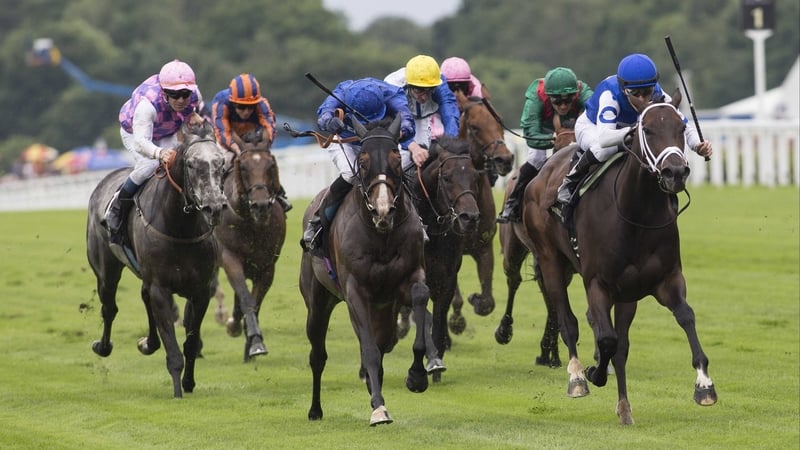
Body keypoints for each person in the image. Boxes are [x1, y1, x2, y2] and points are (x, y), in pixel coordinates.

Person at [554, 53, 713, 210]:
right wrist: (634, 131)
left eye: (647, 92)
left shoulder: (656, 91)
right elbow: (604, 138)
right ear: (624, 89)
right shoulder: (610, 94)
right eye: (636, 94)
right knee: (604, 150)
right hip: (593, 127)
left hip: (629, 130)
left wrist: (697, 145)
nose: (643, 99)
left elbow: (680, 122)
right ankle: (570, 181)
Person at [302, 77, 416, 250]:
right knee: (350, 175)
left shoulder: (391, 93)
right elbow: (323, 113)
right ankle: (317, 223)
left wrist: (402, 130)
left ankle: (417, 222)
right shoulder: (341, 93)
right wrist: (329, 121)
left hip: (378, 144)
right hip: (346, 142)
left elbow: (407, 120)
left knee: (393, 169)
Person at [105, 59, 202, 246]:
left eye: (185, 94)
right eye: (175, 95)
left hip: (165, 130)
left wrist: (192, 114)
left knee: (180, 162)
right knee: (149, 165)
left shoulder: (194, 94)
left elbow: (188, 109)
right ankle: (117, 207)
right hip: (136, 134)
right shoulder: (146, 106)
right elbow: (142, 143)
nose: (181, 100)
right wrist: (159, 153)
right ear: (164, 92)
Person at [497, 67, 593, 223]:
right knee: (536, 158)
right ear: (548, 97)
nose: (563, 106)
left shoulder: (583, 91)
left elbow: (598, 111)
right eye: (557, 101)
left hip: (575, 125)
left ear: (575, 94)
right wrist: (551, 138)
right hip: (543, 129)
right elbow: (531, 134)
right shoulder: (536, 98)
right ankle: (512, 203)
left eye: (568, 100)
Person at [211, 73, 291, 212]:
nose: (247, 111)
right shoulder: (220, 102)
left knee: (263, 162)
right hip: (229, 139)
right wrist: (238, 150)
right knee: (224, 161)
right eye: (241, 107)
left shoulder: (262, 103)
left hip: (253, 137)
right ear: (232, 102)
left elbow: (269, 126)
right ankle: (214, 197)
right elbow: (223, 133)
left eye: (251, 107)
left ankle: (279, 194)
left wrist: (263, 146)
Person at [384, 54, 460, 172]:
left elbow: (450, 114)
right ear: (409, 84)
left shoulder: (439, 83)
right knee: (399, 163)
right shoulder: (393, 84)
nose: (424, 97)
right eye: (419, 90)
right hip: (395, 120)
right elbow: (401, 118)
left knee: (423, 160)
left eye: (429, 90)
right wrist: (412, 146)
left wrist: (450, 143)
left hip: (422, 119)